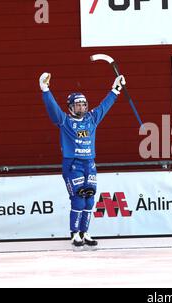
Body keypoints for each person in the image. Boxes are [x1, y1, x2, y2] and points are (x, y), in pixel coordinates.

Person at [39, 72, 126, 249]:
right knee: (78, 198)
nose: (82, 107)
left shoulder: (91, 119)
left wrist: (116, 89)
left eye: (83, 104)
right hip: (73, 164)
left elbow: (105, 105)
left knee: (90, 199)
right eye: (78, 105)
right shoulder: (64, 120)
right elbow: (52, 107)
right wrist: (45, 89)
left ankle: (85, 232)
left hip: (90, 163)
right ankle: (75, 234)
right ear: (71, 106)